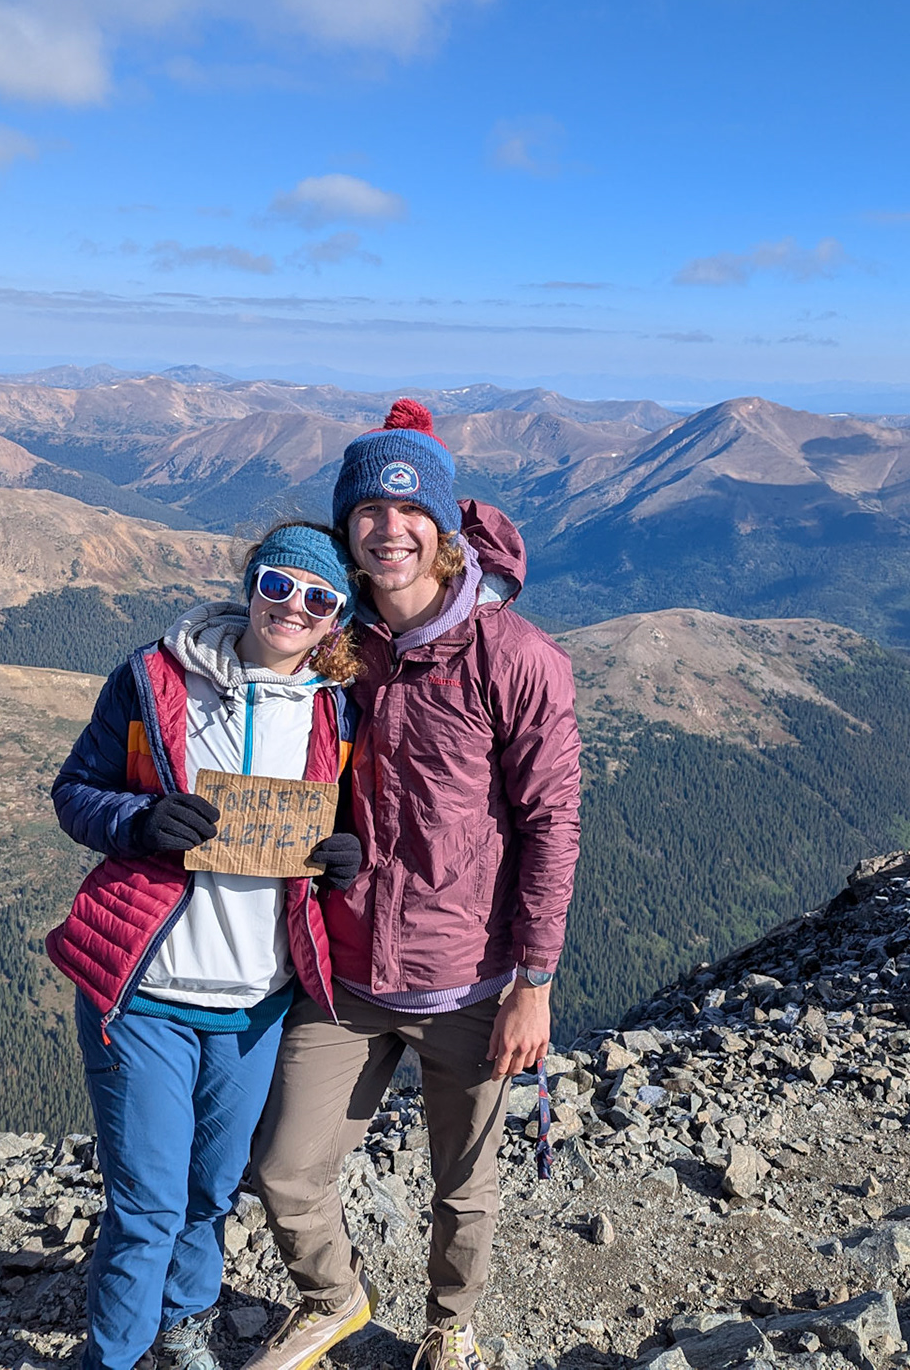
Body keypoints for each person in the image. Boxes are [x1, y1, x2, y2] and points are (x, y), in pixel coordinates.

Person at [247, 401, 582, 1370]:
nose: (388, 529)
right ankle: (335, 1299)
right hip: (347, 970)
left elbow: (552, 824)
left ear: (441, 527)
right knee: (284, 1170)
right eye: (368, 511)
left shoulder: (514, 658)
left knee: (464, 1186)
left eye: (408, 512)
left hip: (470, 979)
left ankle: (450, 1327)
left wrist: (534, 984)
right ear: (347, 525)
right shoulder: (334, 642)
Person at [46, 523, 368, 1370]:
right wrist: (139, 821)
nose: (293, 607)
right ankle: (115, 1359)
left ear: (337, 618)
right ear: (250, 584)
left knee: (210, 1192)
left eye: (319, 598)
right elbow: (76, 791)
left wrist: (346, 856)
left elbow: (351, 825)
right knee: (148, 1205)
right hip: (147, 992)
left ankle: (184, 1325)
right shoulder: (154, 680)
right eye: (277, 585)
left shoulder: (337, 712)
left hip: (256, 1002)